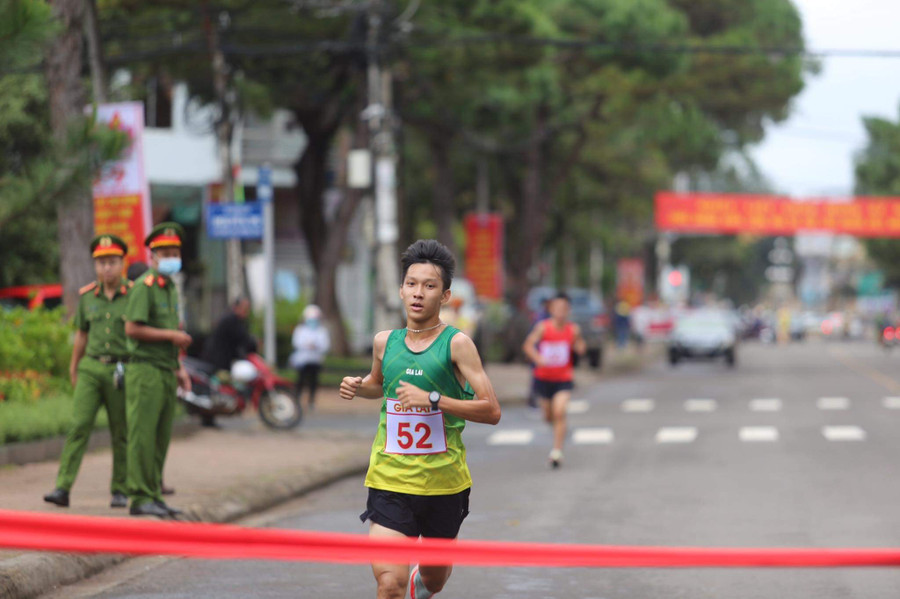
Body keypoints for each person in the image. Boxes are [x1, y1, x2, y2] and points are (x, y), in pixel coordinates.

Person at [339, 239, 501, 599]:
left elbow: (491, 410)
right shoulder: (385, 341)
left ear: (444, 296)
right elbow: (379, 386)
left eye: (429, 286)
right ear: (400, 289)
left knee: (434, 581)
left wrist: (433, 400)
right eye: (411, 284)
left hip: (444, 485)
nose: (418, 293)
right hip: (390, 479)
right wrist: (358, 385)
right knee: (389, 584)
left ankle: (418, 589)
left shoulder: (457, 344)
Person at [43, 235, 132, 509]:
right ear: (95, 265)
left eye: (112, 262)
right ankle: (63, 487)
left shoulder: (134, 294)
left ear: (122, 264)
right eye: (102, 262)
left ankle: (120, 489)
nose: (107, 268)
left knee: (121, 430)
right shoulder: (88, 297)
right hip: (91, 367)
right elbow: (81, 334)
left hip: (121, 368)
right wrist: (74, 366)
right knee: (79, 426)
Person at [124, 222, 192, 518]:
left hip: (165, 369)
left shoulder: (170, 290)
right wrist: (172, 337)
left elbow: (169, 329)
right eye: (164, 252)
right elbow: (131, 328)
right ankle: (139, 498)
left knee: (161, 437)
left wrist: (179, 367)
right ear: (152, 256)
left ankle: (154, 494)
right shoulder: (145, 287)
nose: (170, 257)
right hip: (145, 370)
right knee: (143, 436)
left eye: (175, 251)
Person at [522, 291, 586, 468]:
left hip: (563, 378)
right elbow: (528, 345)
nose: (560, 311)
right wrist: (538, 358)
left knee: (560, 412)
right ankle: (557, 428)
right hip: (543, 378)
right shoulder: (543, 327)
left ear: (568, 310)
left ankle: (557, 451)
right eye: (557, 308)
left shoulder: (573, 329)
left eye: (564, 308)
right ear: (551, 309)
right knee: (548, 416)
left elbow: (580, 345)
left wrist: (579, 347)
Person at [289, 304, 329, 410]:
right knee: (300, 381)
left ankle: (311, 401)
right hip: (302, 360)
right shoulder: (300, 330)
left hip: (315, 360)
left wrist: (316, 345)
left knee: (313, 382)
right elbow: (296, 343)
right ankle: (297, 399)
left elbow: (325, 345)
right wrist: (307, 345)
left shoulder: (321, 331)